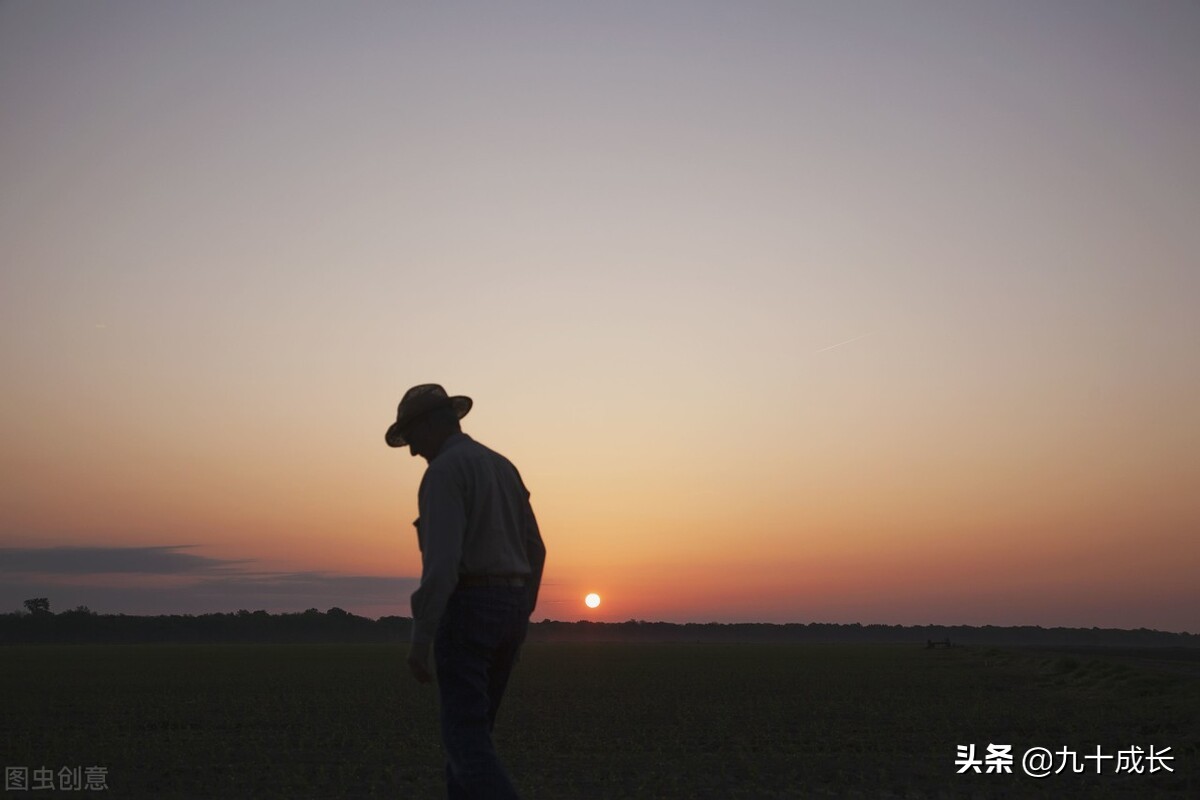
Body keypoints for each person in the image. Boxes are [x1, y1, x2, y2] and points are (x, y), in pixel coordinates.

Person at [386, 383, 546, 799]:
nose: (412, 450)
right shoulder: (502, 466)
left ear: (433, 425)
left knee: (466, 744)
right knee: (470, 743)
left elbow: (441, 566)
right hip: (510, 608)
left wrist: (420, 641)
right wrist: (520, 613)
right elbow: (536, 548)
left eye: (413, 436)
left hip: (468, 610)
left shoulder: (442, 473)